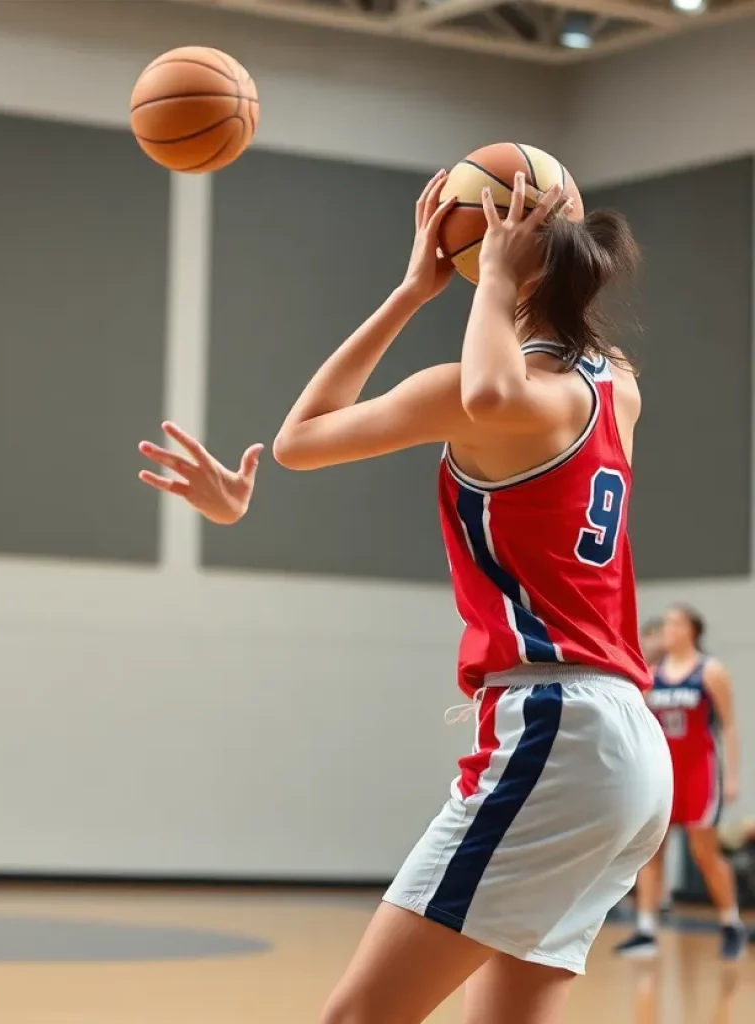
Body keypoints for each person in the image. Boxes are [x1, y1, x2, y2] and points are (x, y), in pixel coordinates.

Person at [140, 168, 671, 1023]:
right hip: (623, 742)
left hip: (560, 737)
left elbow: (300, 439)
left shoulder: (484, 397)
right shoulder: (616, 383)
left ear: (493, 259)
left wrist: (422, 290)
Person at [616, 604, 745, 960]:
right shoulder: (652, 674)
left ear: (691, 630)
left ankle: (731, 923)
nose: (668, 628)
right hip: (662, 774)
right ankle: (645, 929)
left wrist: (732, 776)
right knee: (650, 851)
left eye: (674, 622)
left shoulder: (710, 672)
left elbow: (729, 726)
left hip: (699, 773)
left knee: (704, 852)